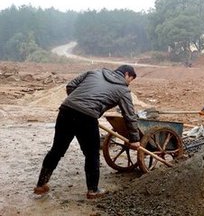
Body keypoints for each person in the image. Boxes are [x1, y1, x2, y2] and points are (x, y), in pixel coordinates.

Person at [33, 65, 140, 199]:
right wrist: (135, 139)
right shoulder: (123, 90)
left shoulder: (95, 72)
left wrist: (79, 102)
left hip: (66, 110)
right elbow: (129, 115)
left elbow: (71, 86)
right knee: (92, 154)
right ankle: (93, 191)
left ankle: (40, 185)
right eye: (130, 80)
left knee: (57, 150)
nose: (129, 83)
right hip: (87, 118)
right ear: (127, 74)